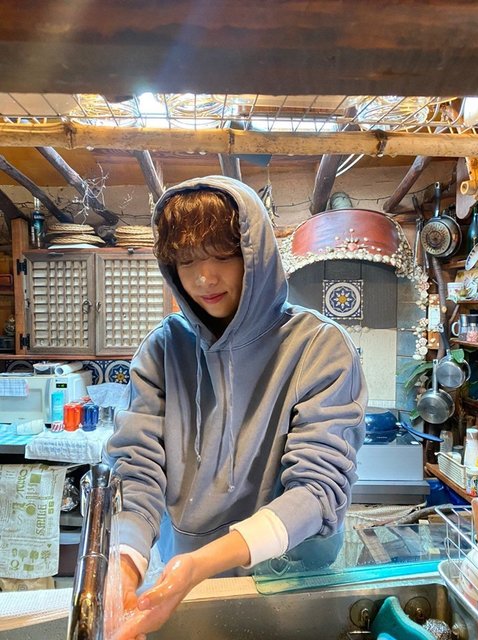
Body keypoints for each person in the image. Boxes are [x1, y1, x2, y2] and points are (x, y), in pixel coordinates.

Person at [104, 175, 367, 639]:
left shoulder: (319, 347)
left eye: (223, 256)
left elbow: (317, 490)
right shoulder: (163, 351)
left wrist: (199, 564)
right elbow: (137, 473)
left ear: (255, 255)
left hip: (294, 581)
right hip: (184, 583)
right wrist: (124, 567)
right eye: (187, 261)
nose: (204, 278)